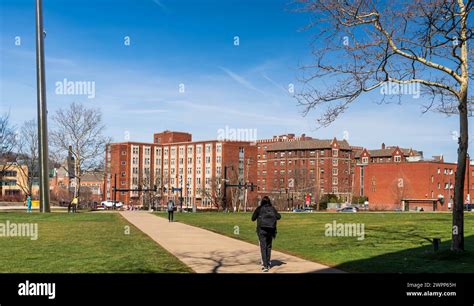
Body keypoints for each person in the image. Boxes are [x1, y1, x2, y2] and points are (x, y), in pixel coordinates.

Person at [251, 196, 281, 272]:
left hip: (261, 230)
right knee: (268, 246)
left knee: (263, 247)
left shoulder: (259, 209)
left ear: (262, 202)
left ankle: (265, 266)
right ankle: (267, 262)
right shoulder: (272, 208)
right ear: (269, 201)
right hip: (270, 230)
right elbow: (279, 217)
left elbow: (253, 218)